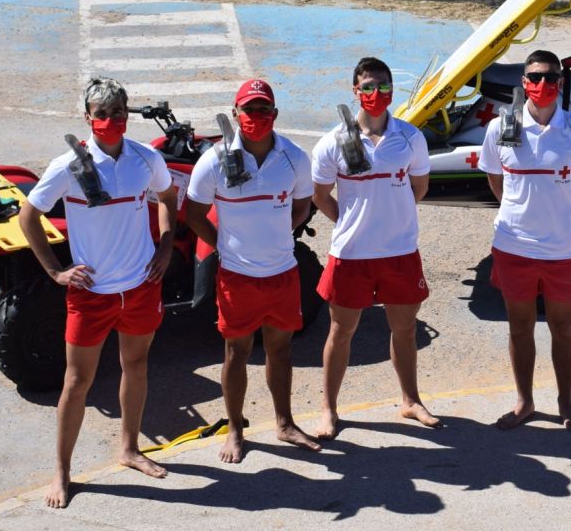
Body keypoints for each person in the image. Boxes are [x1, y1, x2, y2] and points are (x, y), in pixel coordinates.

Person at [17, 77, 177, 508]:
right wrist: (56, 271)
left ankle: (130, 449)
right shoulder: (68, 165)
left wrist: (165, 246)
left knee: (136, 365)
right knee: (76, 381)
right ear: (88, 118)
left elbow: (167, 196)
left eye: (117, 112)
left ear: (127, 114)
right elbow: (28, 217)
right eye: (101, 114)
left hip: (141, 287)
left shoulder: (146, 158)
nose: (110, 120)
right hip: (91, 294)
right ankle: (62, 472)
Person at [184, 79, 321, 463]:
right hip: (237, 278)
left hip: (282, 274)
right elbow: (193, 214)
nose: (256, 116)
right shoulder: (214, 160)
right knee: (236, 352)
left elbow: (302, 207)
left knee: (280, 349)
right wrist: (225, 245)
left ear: (274, 114)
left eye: (263, 109)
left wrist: (279, 236)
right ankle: (234, 429)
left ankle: (285, 423)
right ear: (235, 113)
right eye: (249, 109)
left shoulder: (294, 158)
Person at [311, 57, 440, 439]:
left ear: (392, 90)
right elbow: (320, 196)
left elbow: (419, 188)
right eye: (368, 87)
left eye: (383, 86)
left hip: (400, 252)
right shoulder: (333, 142)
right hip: (351, 254)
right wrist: (350, 221)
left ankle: (411, 400)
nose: (376, 93)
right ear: (355, 91)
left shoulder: (410, 138)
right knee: (341, 331)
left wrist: (391, 215)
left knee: (405, 329)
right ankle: (329, 410)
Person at [478, 49, 571, 432]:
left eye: (549, 78)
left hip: (563, 250)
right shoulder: (500, 128)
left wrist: (560, 214)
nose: (542, 84)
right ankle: (525, 401)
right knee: (520, 327)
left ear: (560, 83)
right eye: (534, 77)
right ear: (523, 83)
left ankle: (566, 403)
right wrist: (521, 209)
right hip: (513, 247)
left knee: (563, 327)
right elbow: (495, 179)